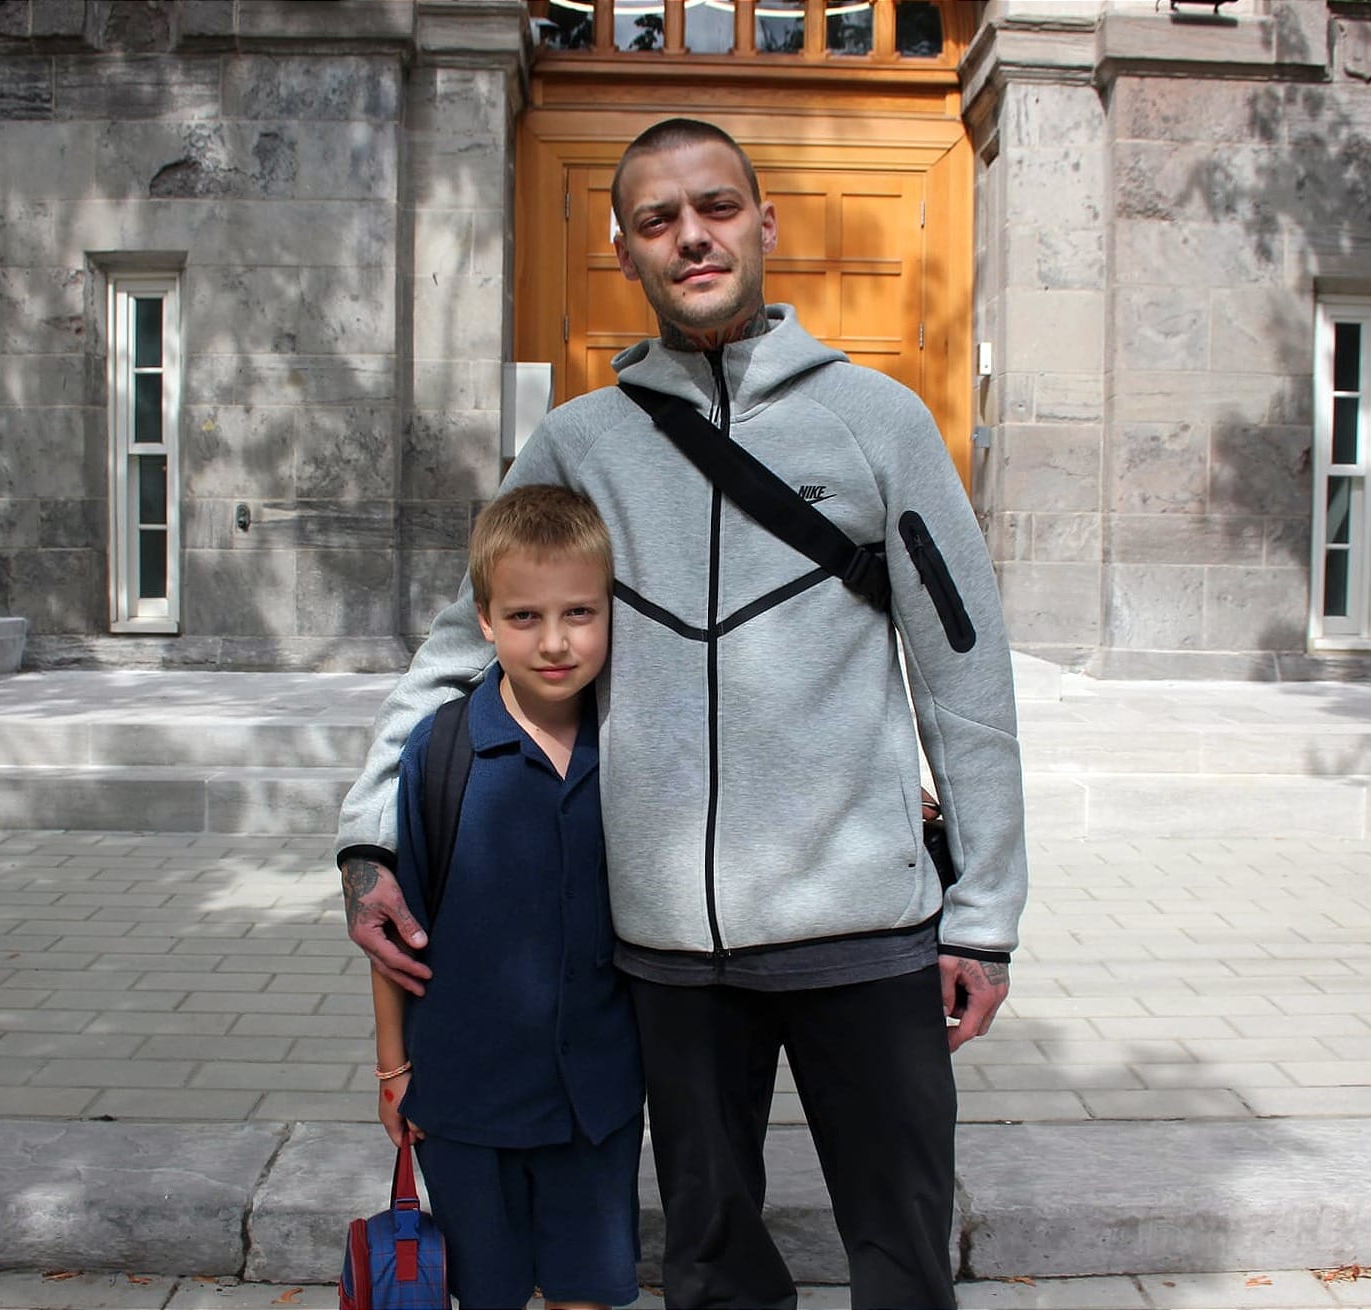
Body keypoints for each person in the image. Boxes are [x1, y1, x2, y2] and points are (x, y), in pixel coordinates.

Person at [338, 117, 1029, 1307]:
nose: (691, 236)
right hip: (669, 947)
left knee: (903, 1254)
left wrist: (984, 913)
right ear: (624, 249)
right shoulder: (578, 441)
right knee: (708, 1259)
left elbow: (966, 675)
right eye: (658, 219)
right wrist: (368, 838)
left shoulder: (880, 424)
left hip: (862, 923)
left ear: (765, 223)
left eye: (715, 207)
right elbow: (461, 648)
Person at [371, 484, 643, 1310]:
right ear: (484, 620)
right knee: (484, 1293)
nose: (555, 642)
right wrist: (393, 1068)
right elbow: (392, 926)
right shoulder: (443, 750)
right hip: (464, 1099)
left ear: (610, 613)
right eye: (524, 617)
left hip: (593, 1100)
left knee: (583, 1292)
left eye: (579, 614)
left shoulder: (632, 741)